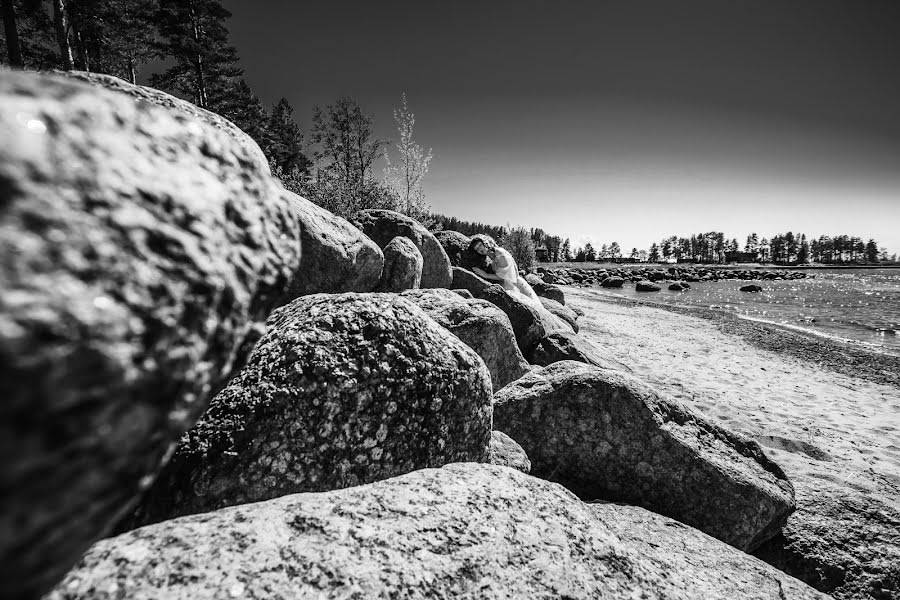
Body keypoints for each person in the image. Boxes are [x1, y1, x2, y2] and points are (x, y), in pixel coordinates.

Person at [469, 234, 543, 306]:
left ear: (486, 242)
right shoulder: (492, 257)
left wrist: (485, 275)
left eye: (480, 245)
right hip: (508, 285)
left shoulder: (499, 252)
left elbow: (503, 276)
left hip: (515, 286)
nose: (479, 249)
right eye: (477, 249)